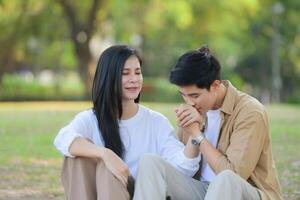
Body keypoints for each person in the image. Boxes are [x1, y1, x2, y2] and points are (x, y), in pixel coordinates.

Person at [133, 45, 283, 200]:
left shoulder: (250, 112)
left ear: (216, 86)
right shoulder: (194, 111)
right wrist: (192, 134)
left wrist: (198, 135)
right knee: (150, 162)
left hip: (243, 191)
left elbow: (233, 174)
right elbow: (183, 166)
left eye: (195, 96)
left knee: (226, 179)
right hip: (203, 191)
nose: (189, 102)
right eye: (183, 95)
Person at [54, 45, 201, 200]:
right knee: (76, 158)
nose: (134, 79)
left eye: (138, 72)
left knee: (107, 170)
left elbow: (183, 169)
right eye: (125, 73)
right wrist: (106, 154)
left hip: (138, 194)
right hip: (98, 193)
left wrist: (195, 135)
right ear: (109, 77)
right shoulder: (91, 119)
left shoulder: (155, 122)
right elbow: (63, 139)